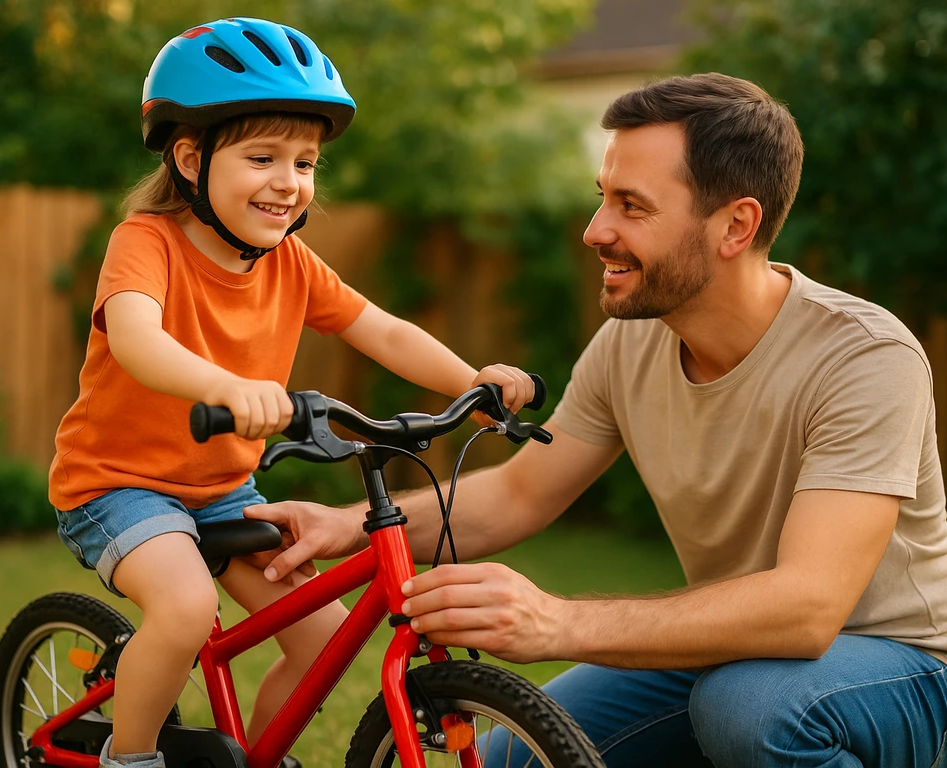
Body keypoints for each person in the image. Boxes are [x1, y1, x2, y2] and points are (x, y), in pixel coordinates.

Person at [250, 72, 947, 767]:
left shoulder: (863, 358)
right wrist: (348, 528)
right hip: (738, 647)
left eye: (632, 206)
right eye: (601, 198)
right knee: (513, 759)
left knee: (751, 707)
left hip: (902, 666)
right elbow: (522, 493)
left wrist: (556, 622)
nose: (594, 231)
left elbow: (807, 607)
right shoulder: (636, 338)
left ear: (736, 225)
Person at [48, 17, 531, 768]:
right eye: (263, 156)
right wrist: (227, 386)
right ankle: (130, 759)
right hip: (116, 485)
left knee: (323, 638)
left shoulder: (292, 262)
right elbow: (137, 337)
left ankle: (251, 757)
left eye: (305, 162)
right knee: (184, 609)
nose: (289, 181)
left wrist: (472, 380)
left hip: (221, 486)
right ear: (189, 157)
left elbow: (385, 331)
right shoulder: (147, 242)